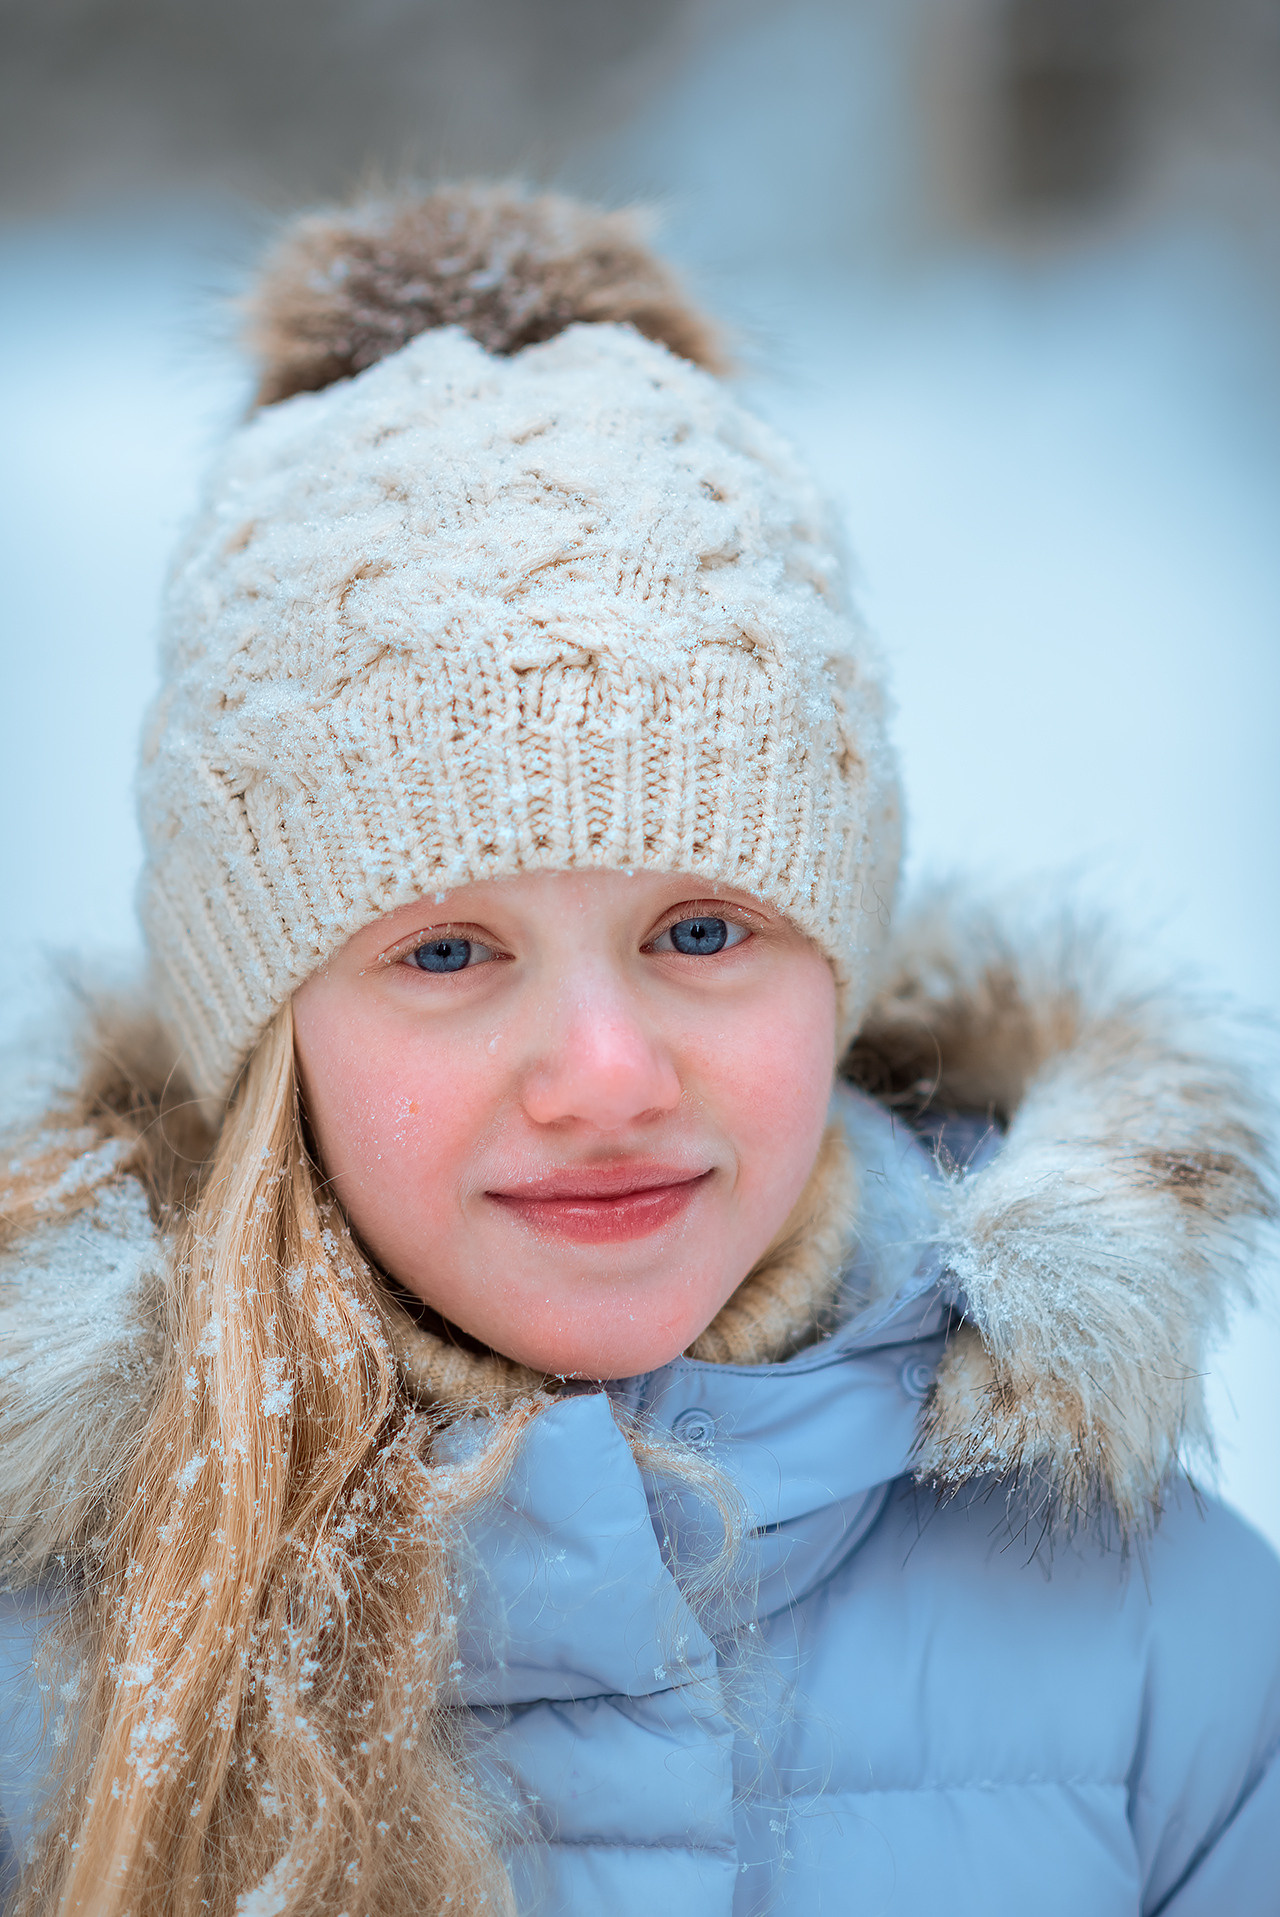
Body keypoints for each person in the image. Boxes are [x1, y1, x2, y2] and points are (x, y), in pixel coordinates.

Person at [1, 184, 1277, 1917]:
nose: (604, 1071)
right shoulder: (51, 1664)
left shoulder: (1162, 1647)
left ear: (839, 960)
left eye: (702, 931)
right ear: (266, 1030)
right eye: (448, 948)